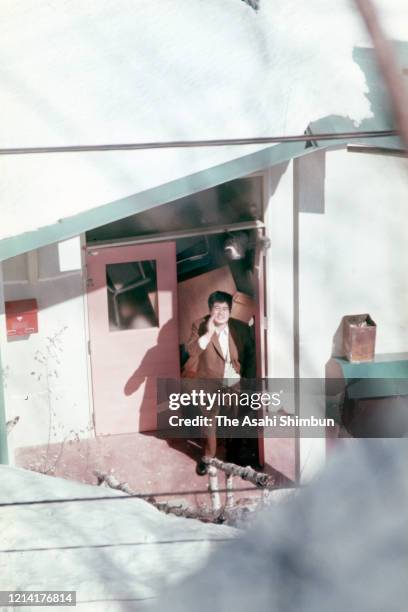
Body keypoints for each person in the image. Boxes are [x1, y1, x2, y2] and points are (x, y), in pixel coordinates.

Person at [183, 290, 255, 475]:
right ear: (210, 310)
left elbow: (249, 355)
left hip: (233, 381)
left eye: (225, 309)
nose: (221, 313)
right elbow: (192, 351)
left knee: (232, 418)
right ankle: (208, 458)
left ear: (230, 311)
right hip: (208, 382)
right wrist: (208, 333)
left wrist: (246, 380)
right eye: (217, 308)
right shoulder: (199, 325)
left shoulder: (241, 328)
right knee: (209, 422)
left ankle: (230, 454)